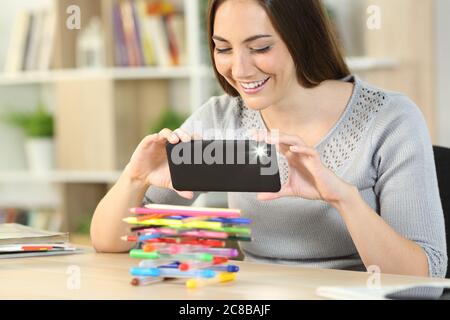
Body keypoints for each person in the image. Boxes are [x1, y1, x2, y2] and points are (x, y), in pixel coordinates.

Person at [91, 0, 447, 278]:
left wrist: (344, 199)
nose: (239, 69)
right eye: (223, 48)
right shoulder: (221, 119)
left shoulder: (389, 120)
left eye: (260, 48)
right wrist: (134, 179)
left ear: (302, 40)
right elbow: (110, 242)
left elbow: (424, 278)